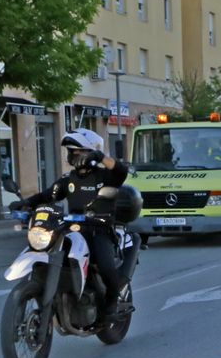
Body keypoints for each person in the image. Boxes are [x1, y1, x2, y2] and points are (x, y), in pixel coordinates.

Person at [12, 129, 131, 322]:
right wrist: (25, 204)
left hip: (99, 229)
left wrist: (101, 157)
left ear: (91, 152)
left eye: (78, 152)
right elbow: (47, 196)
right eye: (71, 152)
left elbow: (121, 171)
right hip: (74, 229)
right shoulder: (69, 179)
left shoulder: (105, 176)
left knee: (106, 266)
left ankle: (111, 303)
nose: (73, 156)